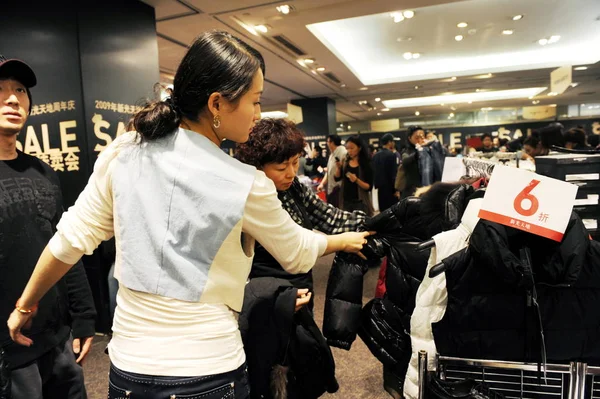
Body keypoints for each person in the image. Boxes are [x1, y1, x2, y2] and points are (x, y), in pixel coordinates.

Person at [6, 31, 370, 399]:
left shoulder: (124, 151)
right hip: (207, 368)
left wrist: (25, 304)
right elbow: (296, 251)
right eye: (255, 101)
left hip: (129, 368)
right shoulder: (246, 183)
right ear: (216, 103)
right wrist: (342, 240)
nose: (258, 114)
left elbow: (69, 240)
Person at [0, 54, 96, 399]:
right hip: (9, 352)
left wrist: (84, 315)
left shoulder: (43, 173)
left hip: (56, 340)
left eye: (20, 90)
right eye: (1, 89)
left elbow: (65, 246)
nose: (12, 98)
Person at [236, 118, 367, 299]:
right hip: (267, 295)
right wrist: (342, 241)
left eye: (295, 162)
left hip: (301, 287)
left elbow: (328, 216)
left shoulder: (293, 187)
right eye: (281, 168)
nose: (291, 173)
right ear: (257, 167)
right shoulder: (252, 198)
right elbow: (295, 248)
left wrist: (374, 223)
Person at [334, 135, 374, 215]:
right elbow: (337, 178)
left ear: (359, 148)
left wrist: (356, 180)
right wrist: (338, 168)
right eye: (347, 148)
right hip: (345, 202)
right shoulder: (345, 161)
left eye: (352, 148)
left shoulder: (366, 164)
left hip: (360, 202)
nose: (349, 151)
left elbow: (368, 187)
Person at [317, 134, 346, 207]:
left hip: (339, 190)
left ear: (332, 142)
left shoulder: (343, 153)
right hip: (332, 190)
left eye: (327, 142)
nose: (327, 144)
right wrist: (322, 184)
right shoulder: (332, 154)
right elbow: (329, 172)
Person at [372, 133, 398, 212]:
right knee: (393, 212)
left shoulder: (375, 156)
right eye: (393, 141)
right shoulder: (391, 155)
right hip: (390, 188)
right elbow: (393, 173)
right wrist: (395, 190)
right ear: (389, 142)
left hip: (380, 188)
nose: (394, 143)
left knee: (383, 212)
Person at [400, 126, 426, 198]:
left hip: (426, 190)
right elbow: (406, 161)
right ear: (409, 138)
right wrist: (418, 152)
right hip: (412, 192)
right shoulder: (407, 152)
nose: (420, 139)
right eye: (417, 138)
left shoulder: (427, 150)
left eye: (423, 137)